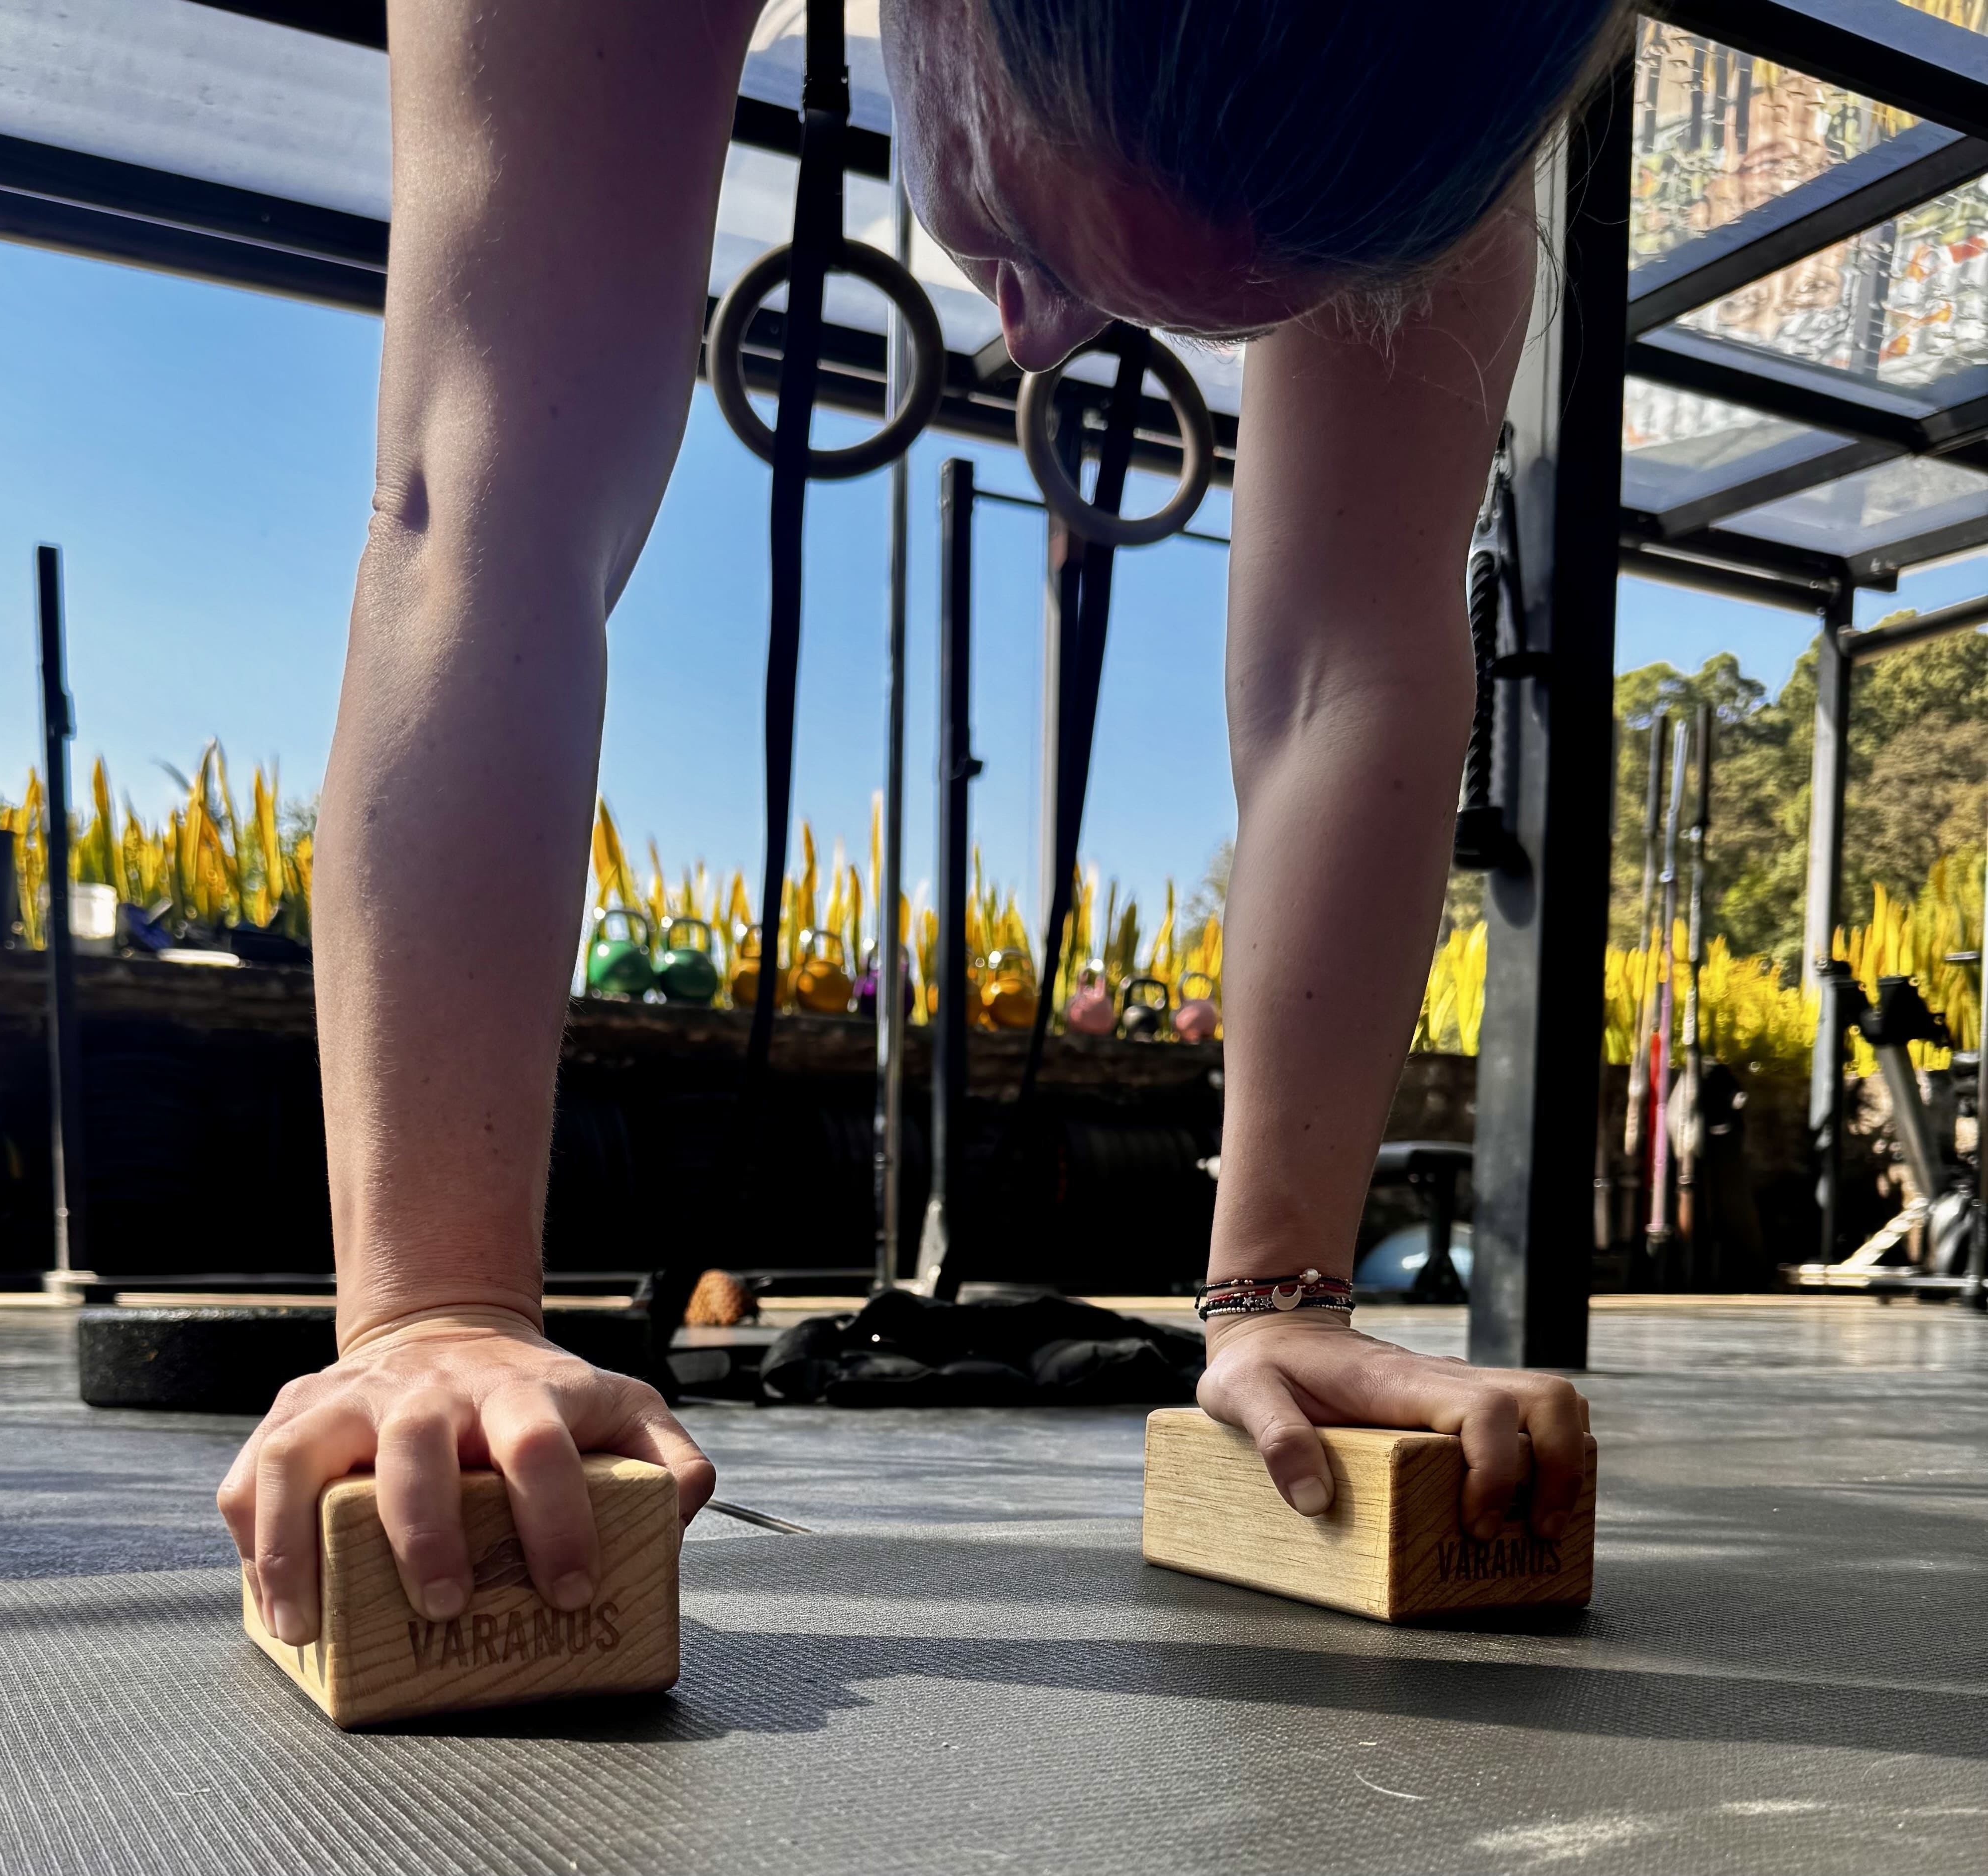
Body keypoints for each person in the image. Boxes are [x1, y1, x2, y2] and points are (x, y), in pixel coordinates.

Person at [220, 0, 1622, 1648]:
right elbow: (479, 507)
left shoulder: (1449, 73)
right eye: (1035, 240)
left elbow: (1351, 655)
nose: (1038, 344)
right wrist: (429, 1309)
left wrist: (1281, 1293)